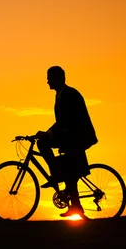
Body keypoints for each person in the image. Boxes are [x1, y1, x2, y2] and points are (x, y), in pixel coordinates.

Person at [35, 66, 98, 217]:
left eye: (49, 77)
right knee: (70, 172)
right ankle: (76, 208)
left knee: (43, 143)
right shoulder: (61, 95)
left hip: (77, 137)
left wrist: (48, 134)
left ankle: (55, 175)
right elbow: (61, 122)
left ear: (58, 78)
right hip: (71, 136)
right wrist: (48, 133)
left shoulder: (69, 94)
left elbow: (68, 121)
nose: (47, 81)